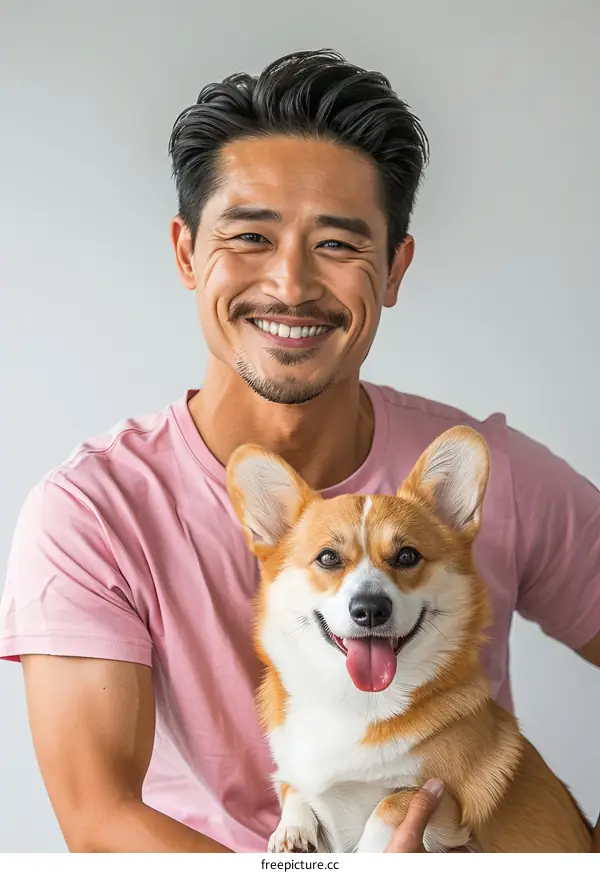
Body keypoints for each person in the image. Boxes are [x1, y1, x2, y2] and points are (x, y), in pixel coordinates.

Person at [1, 49, 599, 854]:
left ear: (394, 268)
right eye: (251, 235)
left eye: (338, 245)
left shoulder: (491, 472)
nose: (290, 284)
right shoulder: (90, 513)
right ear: (187, 252)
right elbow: (99, 817)